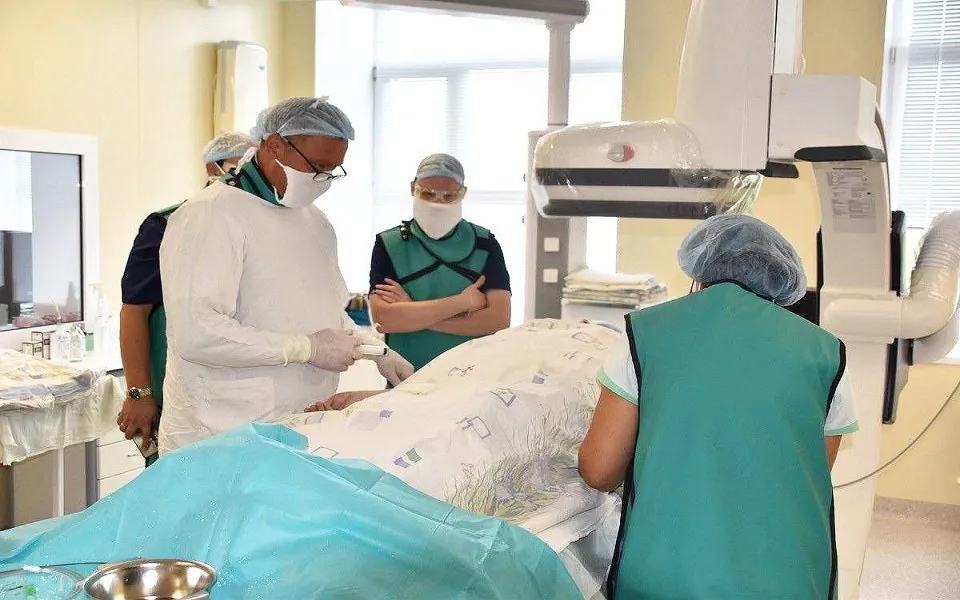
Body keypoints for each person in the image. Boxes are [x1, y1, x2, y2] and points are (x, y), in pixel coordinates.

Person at [578, 214, 859, 600]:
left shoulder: (644, 332)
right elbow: (806, 472)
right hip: (790, 578)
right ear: (779, 283)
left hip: (668, 577)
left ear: (699, 272)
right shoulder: (827, 352)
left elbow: (599, 470)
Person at [155, 97, 413, 455]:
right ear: (275, 144)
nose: (322, 180)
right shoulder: (210, 215)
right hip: (219, 433)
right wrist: (306, 349)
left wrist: (374, 349)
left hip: (302, 425)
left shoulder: (314, 221)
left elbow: (323, 312)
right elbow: (197, 333)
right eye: (317, 166)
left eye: (332, 170)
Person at [116, 131, 257, 465]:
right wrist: (139, 393)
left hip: (243, 396)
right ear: (213, 168)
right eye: (241, 164)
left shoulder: (263, 226)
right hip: (180, 392)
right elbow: (134, 311)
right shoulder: (168, 225)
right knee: (176, 482)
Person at [369, 154, 511, 372]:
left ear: (463, 193)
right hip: (408, 375)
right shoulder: (390, 244)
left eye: (448, 196)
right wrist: (462, 302)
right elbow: (384, 320)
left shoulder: (485, 244)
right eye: (428, 194)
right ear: (412, 188)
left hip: (472, 376)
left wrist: (412, 314)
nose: (437, 203)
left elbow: (498, 321)